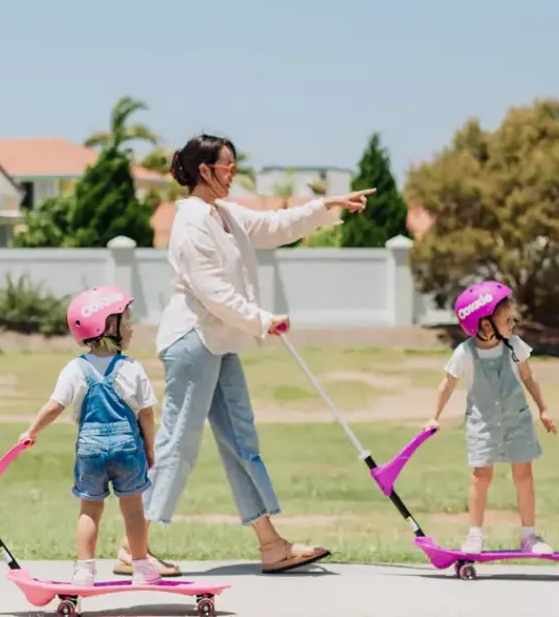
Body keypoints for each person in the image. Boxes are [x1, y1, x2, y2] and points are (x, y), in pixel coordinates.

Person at [114, 133, 375, 577]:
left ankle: (271, 545)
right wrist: (260, 318)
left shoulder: (225, 214)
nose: (233, 173)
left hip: (222, 343)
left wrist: (326, 206)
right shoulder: (191, 222)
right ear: (204, 171)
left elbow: (275, 227)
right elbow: (210, 289)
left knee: (241, 443)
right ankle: (132, 549)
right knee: (178, 444)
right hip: (193, 342)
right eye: (227, 166)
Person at [19, 287, 165, 588]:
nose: (131, 326)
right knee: (134, 510)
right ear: (107, 326)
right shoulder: (131, 368)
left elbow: (54, 406)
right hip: (128, 448)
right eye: (126, 321)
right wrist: (149, 448)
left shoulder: (74, 369)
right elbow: (146, 415)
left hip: (91, 450)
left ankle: (84, 571)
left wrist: (32, 431)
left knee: (90, 510)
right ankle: (140, 567)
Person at [424, 280, 559, 556]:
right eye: (508, 320)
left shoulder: (514, 345)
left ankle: (529, 535)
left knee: (524, 476)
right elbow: (447, 385)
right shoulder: (465, 353)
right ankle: (475, 535)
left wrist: (543, 408)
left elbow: (528, 376)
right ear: (485, 325)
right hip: (482, 425)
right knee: (480, 478)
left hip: (516, 421)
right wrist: (433, 417)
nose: (514, 324)